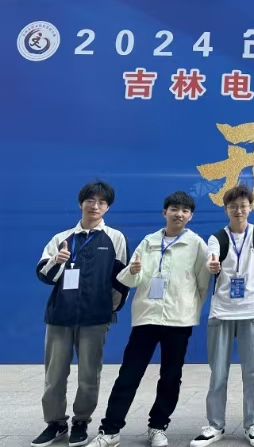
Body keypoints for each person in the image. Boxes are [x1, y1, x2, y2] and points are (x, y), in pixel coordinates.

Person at [87, 191, 210, 447]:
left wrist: (189, 309)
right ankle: (110, 430)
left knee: (171, 376)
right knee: (129, 374)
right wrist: (133, 271)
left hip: (178, 320)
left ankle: (158, 427)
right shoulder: (149, 241)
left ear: (190, 216)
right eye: (174, 209)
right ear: (165, 212)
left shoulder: (197, 244)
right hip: (147, 317)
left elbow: (202, 284)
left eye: (185, 211)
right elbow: (131, 280)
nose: (179, 214)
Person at [32, 182, 130, 447]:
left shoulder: (115, 238)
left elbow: (120, 282)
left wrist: (107, 310)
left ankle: (80, 422)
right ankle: (55, 424)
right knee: (54, 376)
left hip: (95, 320)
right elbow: (44, 275)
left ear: (107, 207)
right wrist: (57, 261)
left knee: (89, 376)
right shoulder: (62, 238)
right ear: (81, 203)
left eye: (101, 202)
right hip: (60, 317)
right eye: (90, 200)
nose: (94, 206)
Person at [190, 185, 254, 447]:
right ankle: (215, 425)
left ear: (251, 207)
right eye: (233, 206)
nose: (238, 210)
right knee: (218, 373)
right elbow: (211, 259)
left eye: (243, 205)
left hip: (252, 311)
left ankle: (253, 424)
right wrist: (212, 264)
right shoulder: (217, 237)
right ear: (226, 209)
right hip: (222, 312)